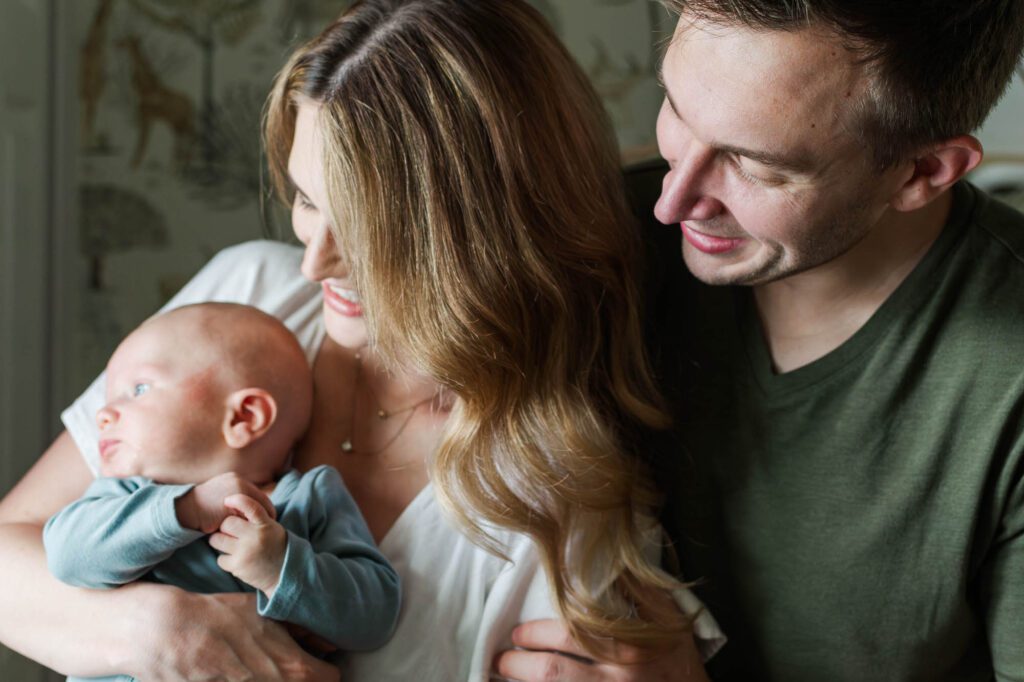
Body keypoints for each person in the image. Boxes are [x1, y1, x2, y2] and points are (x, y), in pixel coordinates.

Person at [0, 1, 722, 680]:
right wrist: (162, 635)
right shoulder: (247, 299)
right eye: (307, 200)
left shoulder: (545, 508)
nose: (316, 262)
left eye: (372, 232)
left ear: (488, 232)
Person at [639, 0, 1024, 679]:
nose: (674, 201)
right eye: (675, 107)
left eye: (755, 165)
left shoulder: (1005, 375)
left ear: (922, 172)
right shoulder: (594, 243)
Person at [43, 303, 401, 682]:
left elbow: (375, 613)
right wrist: (184, 510)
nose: (105, 413)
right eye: (109, 396)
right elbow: (67, 556)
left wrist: (282, 567)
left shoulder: (308, 499)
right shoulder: (123, 496)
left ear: (244, 417)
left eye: (138, 389)